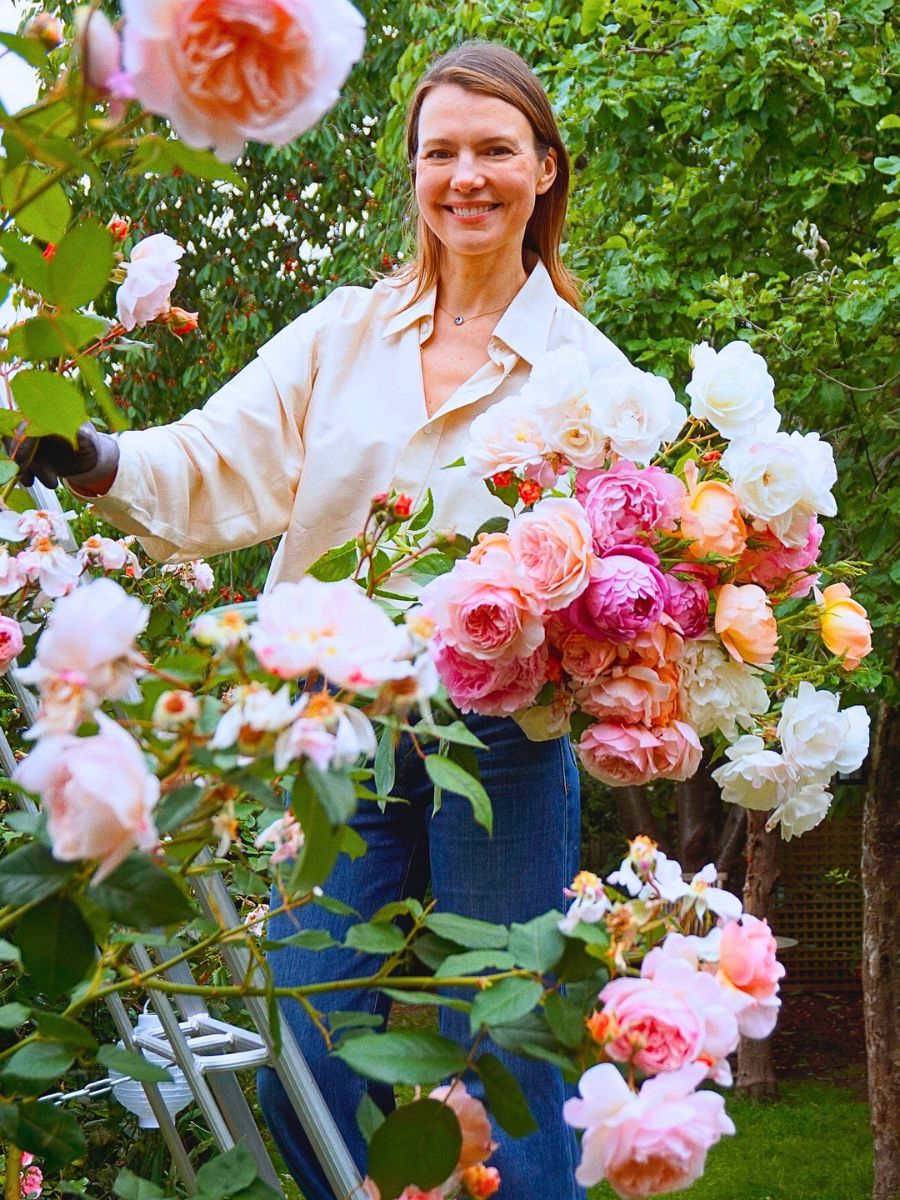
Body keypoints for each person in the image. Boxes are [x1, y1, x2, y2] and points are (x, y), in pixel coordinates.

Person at [19, 41, 630, 1200]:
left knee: (513, 1049)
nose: (466, 176)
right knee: (305, 1034)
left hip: (502, 742)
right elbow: (213, 461)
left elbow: (623, 587)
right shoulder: (341, 336)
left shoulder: (594, 381)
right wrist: (93, 454)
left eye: (495, 150)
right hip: (330, 729)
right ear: (412, 172)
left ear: (544, 170)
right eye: (439, 151)